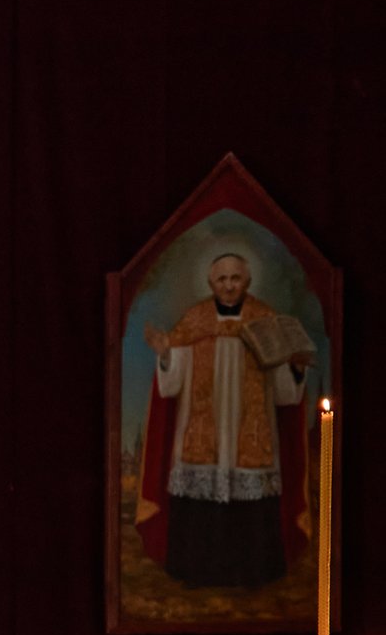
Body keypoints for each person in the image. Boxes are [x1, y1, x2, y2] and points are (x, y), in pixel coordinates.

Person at [133, 252, 315, 588]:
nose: (229, 286)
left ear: (247, 281)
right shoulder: (194, 321)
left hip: (253, 439)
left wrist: (295, 366)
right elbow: (172, 385)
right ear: (210, 283)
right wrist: (165, 353)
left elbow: (283, 394)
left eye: (236, 278)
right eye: (222, 279)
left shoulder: (265, 321)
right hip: (201, 435)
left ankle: (252, 574)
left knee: (251, 510)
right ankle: (198, 572)